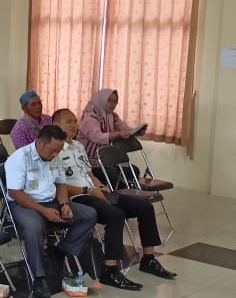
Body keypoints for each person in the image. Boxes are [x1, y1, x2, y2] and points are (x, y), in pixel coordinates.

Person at [52, 109, 176, 286]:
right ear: (56, 125)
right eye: (68, 122)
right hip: (79, 196)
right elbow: (59, 185)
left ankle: (148, 259)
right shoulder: (54, 149)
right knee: (115, 215)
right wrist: (89, 190)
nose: (74, 125)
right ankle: (110, 270)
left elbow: (89, 173)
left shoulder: (78, 146)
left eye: (74, 121)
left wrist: (100, 186)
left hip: (95, 190)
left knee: (145, 208)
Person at [3, 125, 99, 298]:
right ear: (40, 142)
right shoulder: (19, 159)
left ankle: (60, 251)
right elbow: (15, 193)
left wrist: (63, 204)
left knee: (89, 214)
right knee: (34, 226)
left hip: (51, 201)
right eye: (53, 150)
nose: (55, 155)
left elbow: (61, 183)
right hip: (25, 204)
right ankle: (38, 278)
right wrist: (43, 211)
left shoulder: (55, 155)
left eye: (58, 151)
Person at [78, 88, 138, 183]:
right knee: (113, 176)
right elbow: (97, 137)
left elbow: (124, 129)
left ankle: (123, 194)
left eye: (115, 101)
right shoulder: (90, 116)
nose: (112, 104)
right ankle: (115, 196)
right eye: (109, 100)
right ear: (100, 99)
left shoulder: (112, 116)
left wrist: (136, 132)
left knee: (132, 171)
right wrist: (117, 134)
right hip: (89, 163)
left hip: (107, 160)